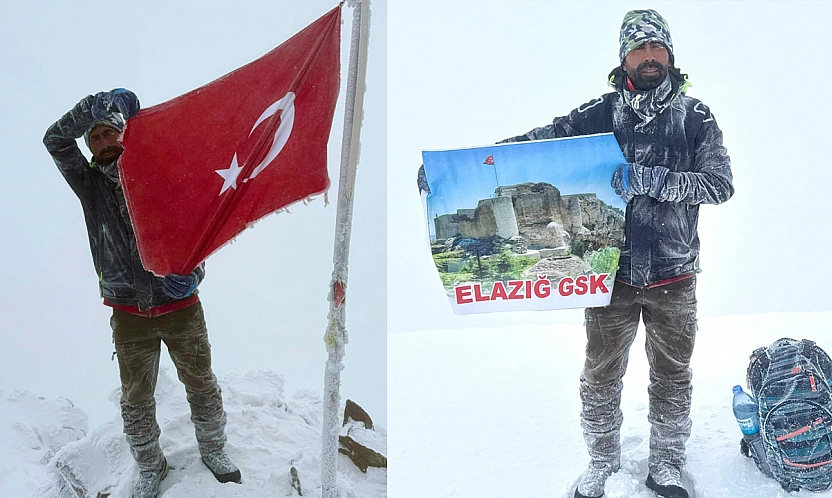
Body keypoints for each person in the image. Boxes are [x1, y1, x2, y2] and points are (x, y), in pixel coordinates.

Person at [496, 9, 733, 498]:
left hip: (674, 276)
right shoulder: (598, 115)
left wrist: (653, 180)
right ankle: (602, 463)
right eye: (638, 48)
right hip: (610, 277)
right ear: (624, 58)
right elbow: (536, 145)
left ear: (670, 54)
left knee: (672, 376)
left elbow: (719, 184)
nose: (649, 56)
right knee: (600, 376)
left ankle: (667, 463)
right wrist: (459, 169)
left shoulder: (696, 117)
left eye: (657, 47)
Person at [43, 89, 242, 498]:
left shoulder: (158, 172)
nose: (102, 141)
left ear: (123, 133)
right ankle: (151, 466)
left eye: (108, 133)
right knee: (135, 398)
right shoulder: (89, 185)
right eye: (94, 138)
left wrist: (195, 274)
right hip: (128, 313)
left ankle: (214, 449)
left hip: (181, 306)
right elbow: (55, 140)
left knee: (201, 383)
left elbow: (195, 229)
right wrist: (92, 107)